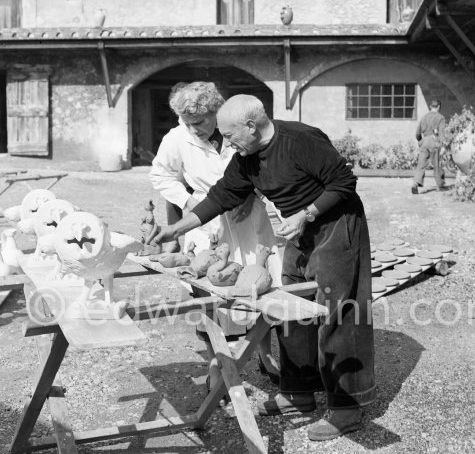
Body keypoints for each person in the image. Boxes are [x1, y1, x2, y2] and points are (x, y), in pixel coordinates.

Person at [153, 94, 376, 442]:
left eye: (230, 135)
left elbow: (344, 183)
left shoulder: (301, 140)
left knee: (338, 310)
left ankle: (346, 408)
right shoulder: (246, 158)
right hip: (298, 229)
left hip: (335, 225)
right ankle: (298, 391)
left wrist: (307, 214)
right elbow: (220, 196)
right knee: (288, 307)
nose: (225, 142)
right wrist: (176, 229)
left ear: (252, 126)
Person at [149, 82, 281, 386]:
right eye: (187, 122)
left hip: (249, 220)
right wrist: (189, 202)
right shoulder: (177, 138)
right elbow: (159, 174)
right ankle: (215, 361)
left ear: (216, 112)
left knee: (259, 283)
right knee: (207, 294)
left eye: (199, 122)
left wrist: (254, 195)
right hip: (205, 223)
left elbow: (265, 164)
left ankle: (265, 353)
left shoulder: (235, 129)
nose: (193, 129)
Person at [412, 99, 446, 194]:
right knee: (437, 163)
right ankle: (440, 185)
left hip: (424, 140)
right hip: (434, 141)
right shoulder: (440, 118)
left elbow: (418, 133)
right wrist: (442, 145)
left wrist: (420, 141)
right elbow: (442, 132)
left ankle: (415, 183)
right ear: (438, 107)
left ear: (430, 107)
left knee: (421, 164)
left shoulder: (424, 117)